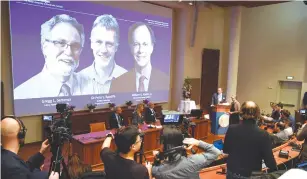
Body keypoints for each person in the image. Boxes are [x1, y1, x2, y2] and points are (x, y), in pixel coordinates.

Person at [14, 14, 91, 99]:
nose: (69, 52)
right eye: (61, 43)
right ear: (45, 47)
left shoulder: (92, 86)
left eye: (75, 46)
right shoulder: (21, 95)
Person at [110, 22, 169, 93]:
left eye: (145, 44)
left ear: (152, 47)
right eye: (136, 44)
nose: (140, 50)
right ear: (131, 47)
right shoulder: (117, 84)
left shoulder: (165, 81)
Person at [224, 101, 277, 179]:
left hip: (232, 172)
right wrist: (275, 172)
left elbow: (226, 151)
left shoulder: (231, 129)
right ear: (258, 115)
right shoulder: (263, 134)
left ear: (241, 114)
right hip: (251, 175)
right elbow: (269, 161)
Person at [79, 15, 127, 94]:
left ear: (116, 47)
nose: (103, 50)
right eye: (98, 42)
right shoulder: (78, 79)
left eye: (109, 44)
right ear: (91, 43)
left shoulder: (127, 79)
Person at [152, 126, 221, 179]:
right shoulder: (194, 161)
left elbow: (153, 171)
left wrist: (156, 160)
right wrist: (197, 142)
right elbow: (215, 152)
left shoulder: (158, 171)